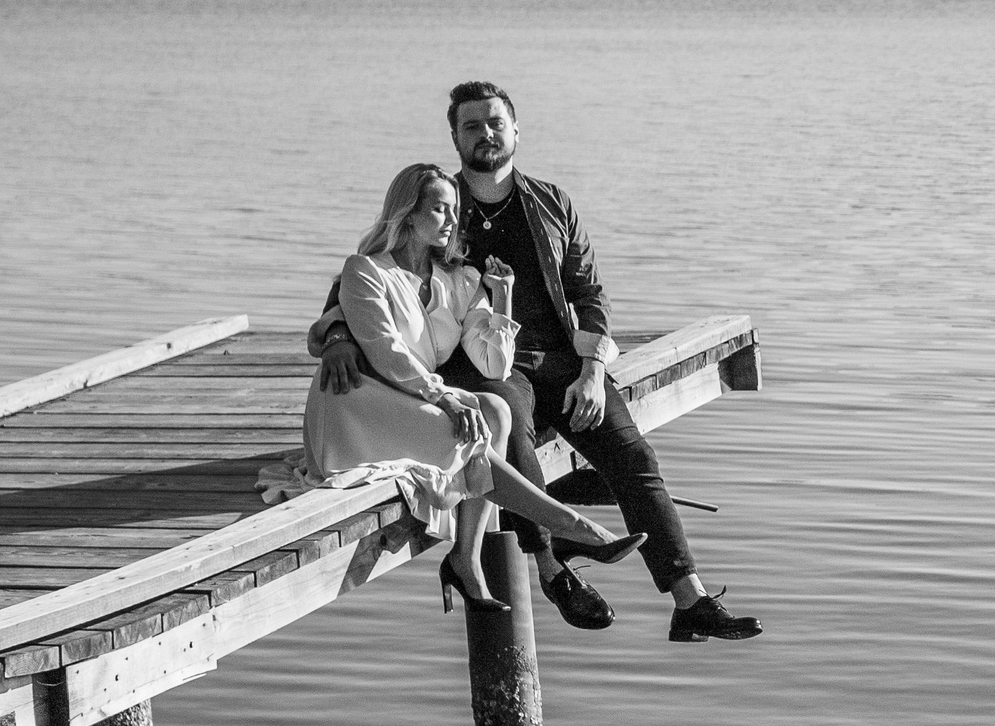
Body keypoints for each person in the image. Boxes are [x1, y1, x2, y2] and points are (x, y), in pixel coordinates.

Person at [310, 82, 761, 644]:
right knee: (508, 422)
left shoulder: (552, 203)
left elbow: (590, 293)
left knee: (633, 454)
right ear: (454, 136)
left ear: (516, 130)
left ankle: (688, 597)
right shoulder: (444, 204)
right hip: (490, 365)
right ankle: (554, 567)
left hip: (564, 363)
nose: (486, 133)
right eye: (471, 125)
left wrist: (593, 370)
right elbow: (360, 282)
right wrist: (335, 338)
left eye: (496, 122)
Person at [295, 162, 646, 615]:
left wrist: (502, 298)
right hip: (357, 401)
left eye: (453, 210)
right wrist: (444, 395)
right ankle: (570, 524)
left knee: (496, 411)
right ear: (407, 212)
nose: (449, 220)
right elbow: (385, 351)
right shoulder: (365, 270)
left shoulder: (459, 280)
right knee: (458, 433)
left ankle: (466, 558)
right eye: (438, 209)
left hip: (410, 397)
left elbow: (494, 364)